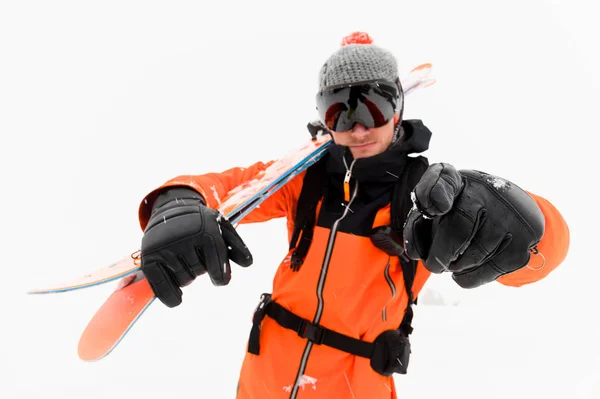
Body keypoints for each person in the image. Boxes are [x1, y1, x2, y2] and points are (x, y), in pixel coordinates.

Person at [136, 32, 570, 399]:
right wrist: (178, 199)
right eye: (339, 111)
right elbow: (231, 188)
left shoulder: (429, 197)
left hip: (354, 383)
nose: (358, 128)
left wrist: (526, 226)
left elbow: (537, 258)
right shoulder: (303, 180)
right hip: (265, 371)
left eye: (373, 108)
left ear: (397, 109)